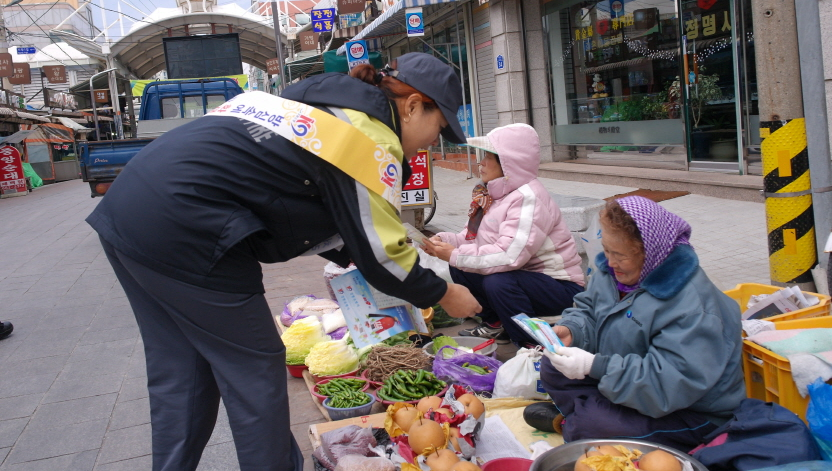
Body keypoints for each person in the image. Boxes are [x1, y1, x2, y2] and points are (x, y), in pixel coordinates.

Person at [85, 53, 482, 471]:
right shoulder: (368, 135)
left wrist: (355, 252)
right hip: (190, 225)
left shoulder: (324, 102)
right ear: (413, 104)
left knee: (181, 372)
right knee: (254, 370)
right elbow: (382, 254)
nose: (432, 143)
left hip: (132, 207)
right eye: (439, 128)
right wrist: (445, 292)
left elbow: (299, 196)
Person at [523, 196, 745, 452]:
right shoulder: (612, 273)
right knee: (553, 364)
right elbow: (587, 309)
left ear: (650, 253)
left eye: (620, 255)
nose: (610, 262)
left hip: (689, 411)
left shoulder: (693, 307)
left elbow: (667, 384)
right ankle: (586, 417)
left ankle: (578, 420)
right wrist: (573, 331)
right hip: (628, 381)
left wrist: (596, 366)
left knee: (594, 425)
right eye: (606, 250)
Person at [421, 124, 585, 346]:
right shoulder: (491, 194)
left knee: (497, 281)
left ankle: (530, 344)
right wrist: (444, 243)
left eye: (489, 156)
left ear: (509, 162)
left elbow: (510, 256)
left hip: (559, 288)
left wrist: (455, 254)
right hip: (522, 278)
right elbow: (472, 240)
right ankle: (496, 323)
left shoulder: (529, 197)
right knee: (460, 264)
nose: (481, 162)